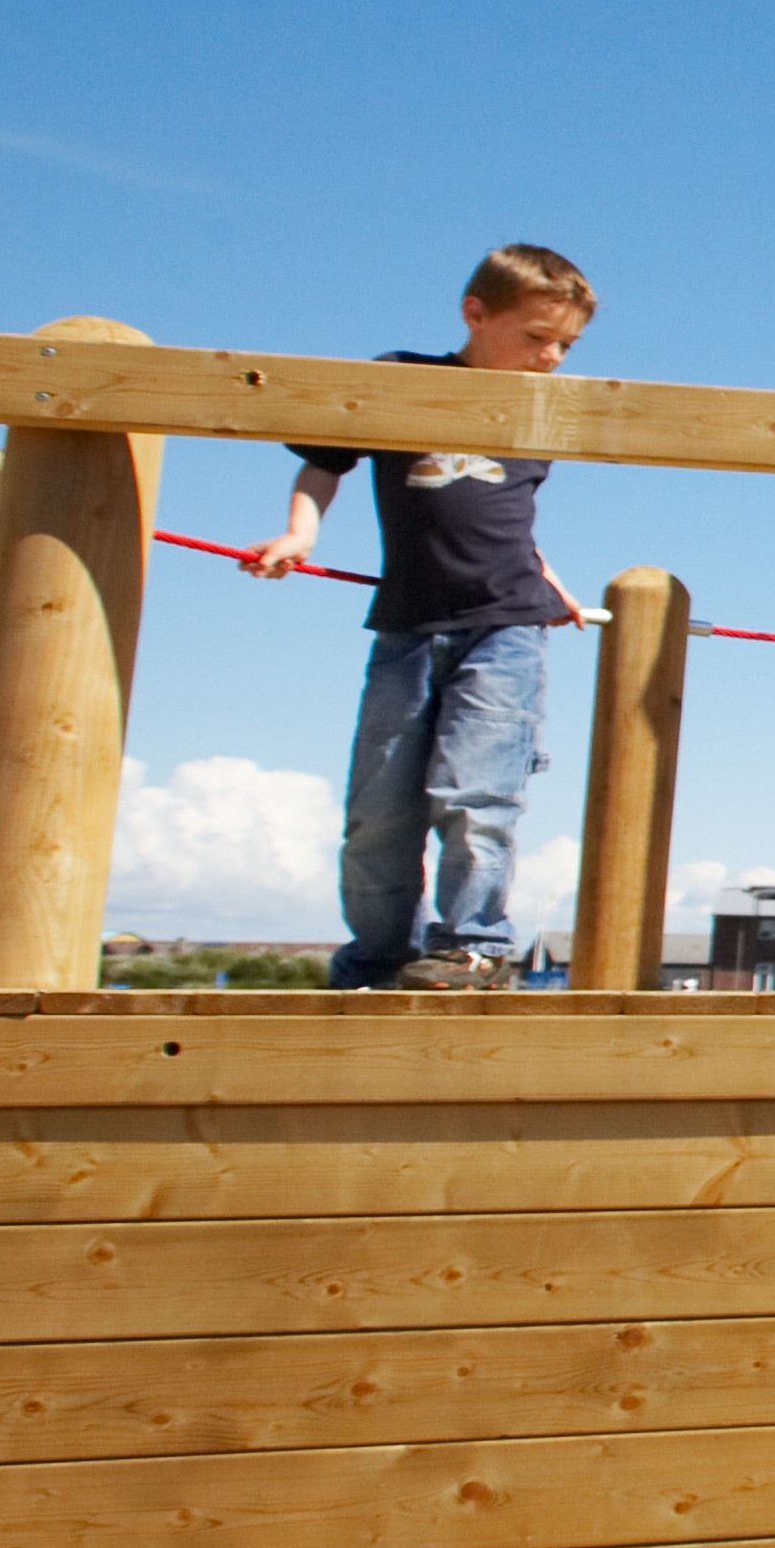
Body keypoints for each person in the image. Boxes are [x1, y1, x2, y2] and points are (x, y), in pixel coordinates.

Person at [251, 244, 598, 991]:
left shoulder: (538, 410)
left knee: (476, 792)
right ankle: (380, 953)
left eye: (565, 345)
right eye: (537, 338)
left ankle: (471, 945)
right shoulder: (404, 380)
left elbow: (507, 519)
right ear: (475, 314)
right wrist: (301, 533)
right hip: (409, 624)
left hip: (506, 625)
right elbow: (324, 460)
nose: (551, 358)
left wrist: (550, 582)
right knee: (380, 804)